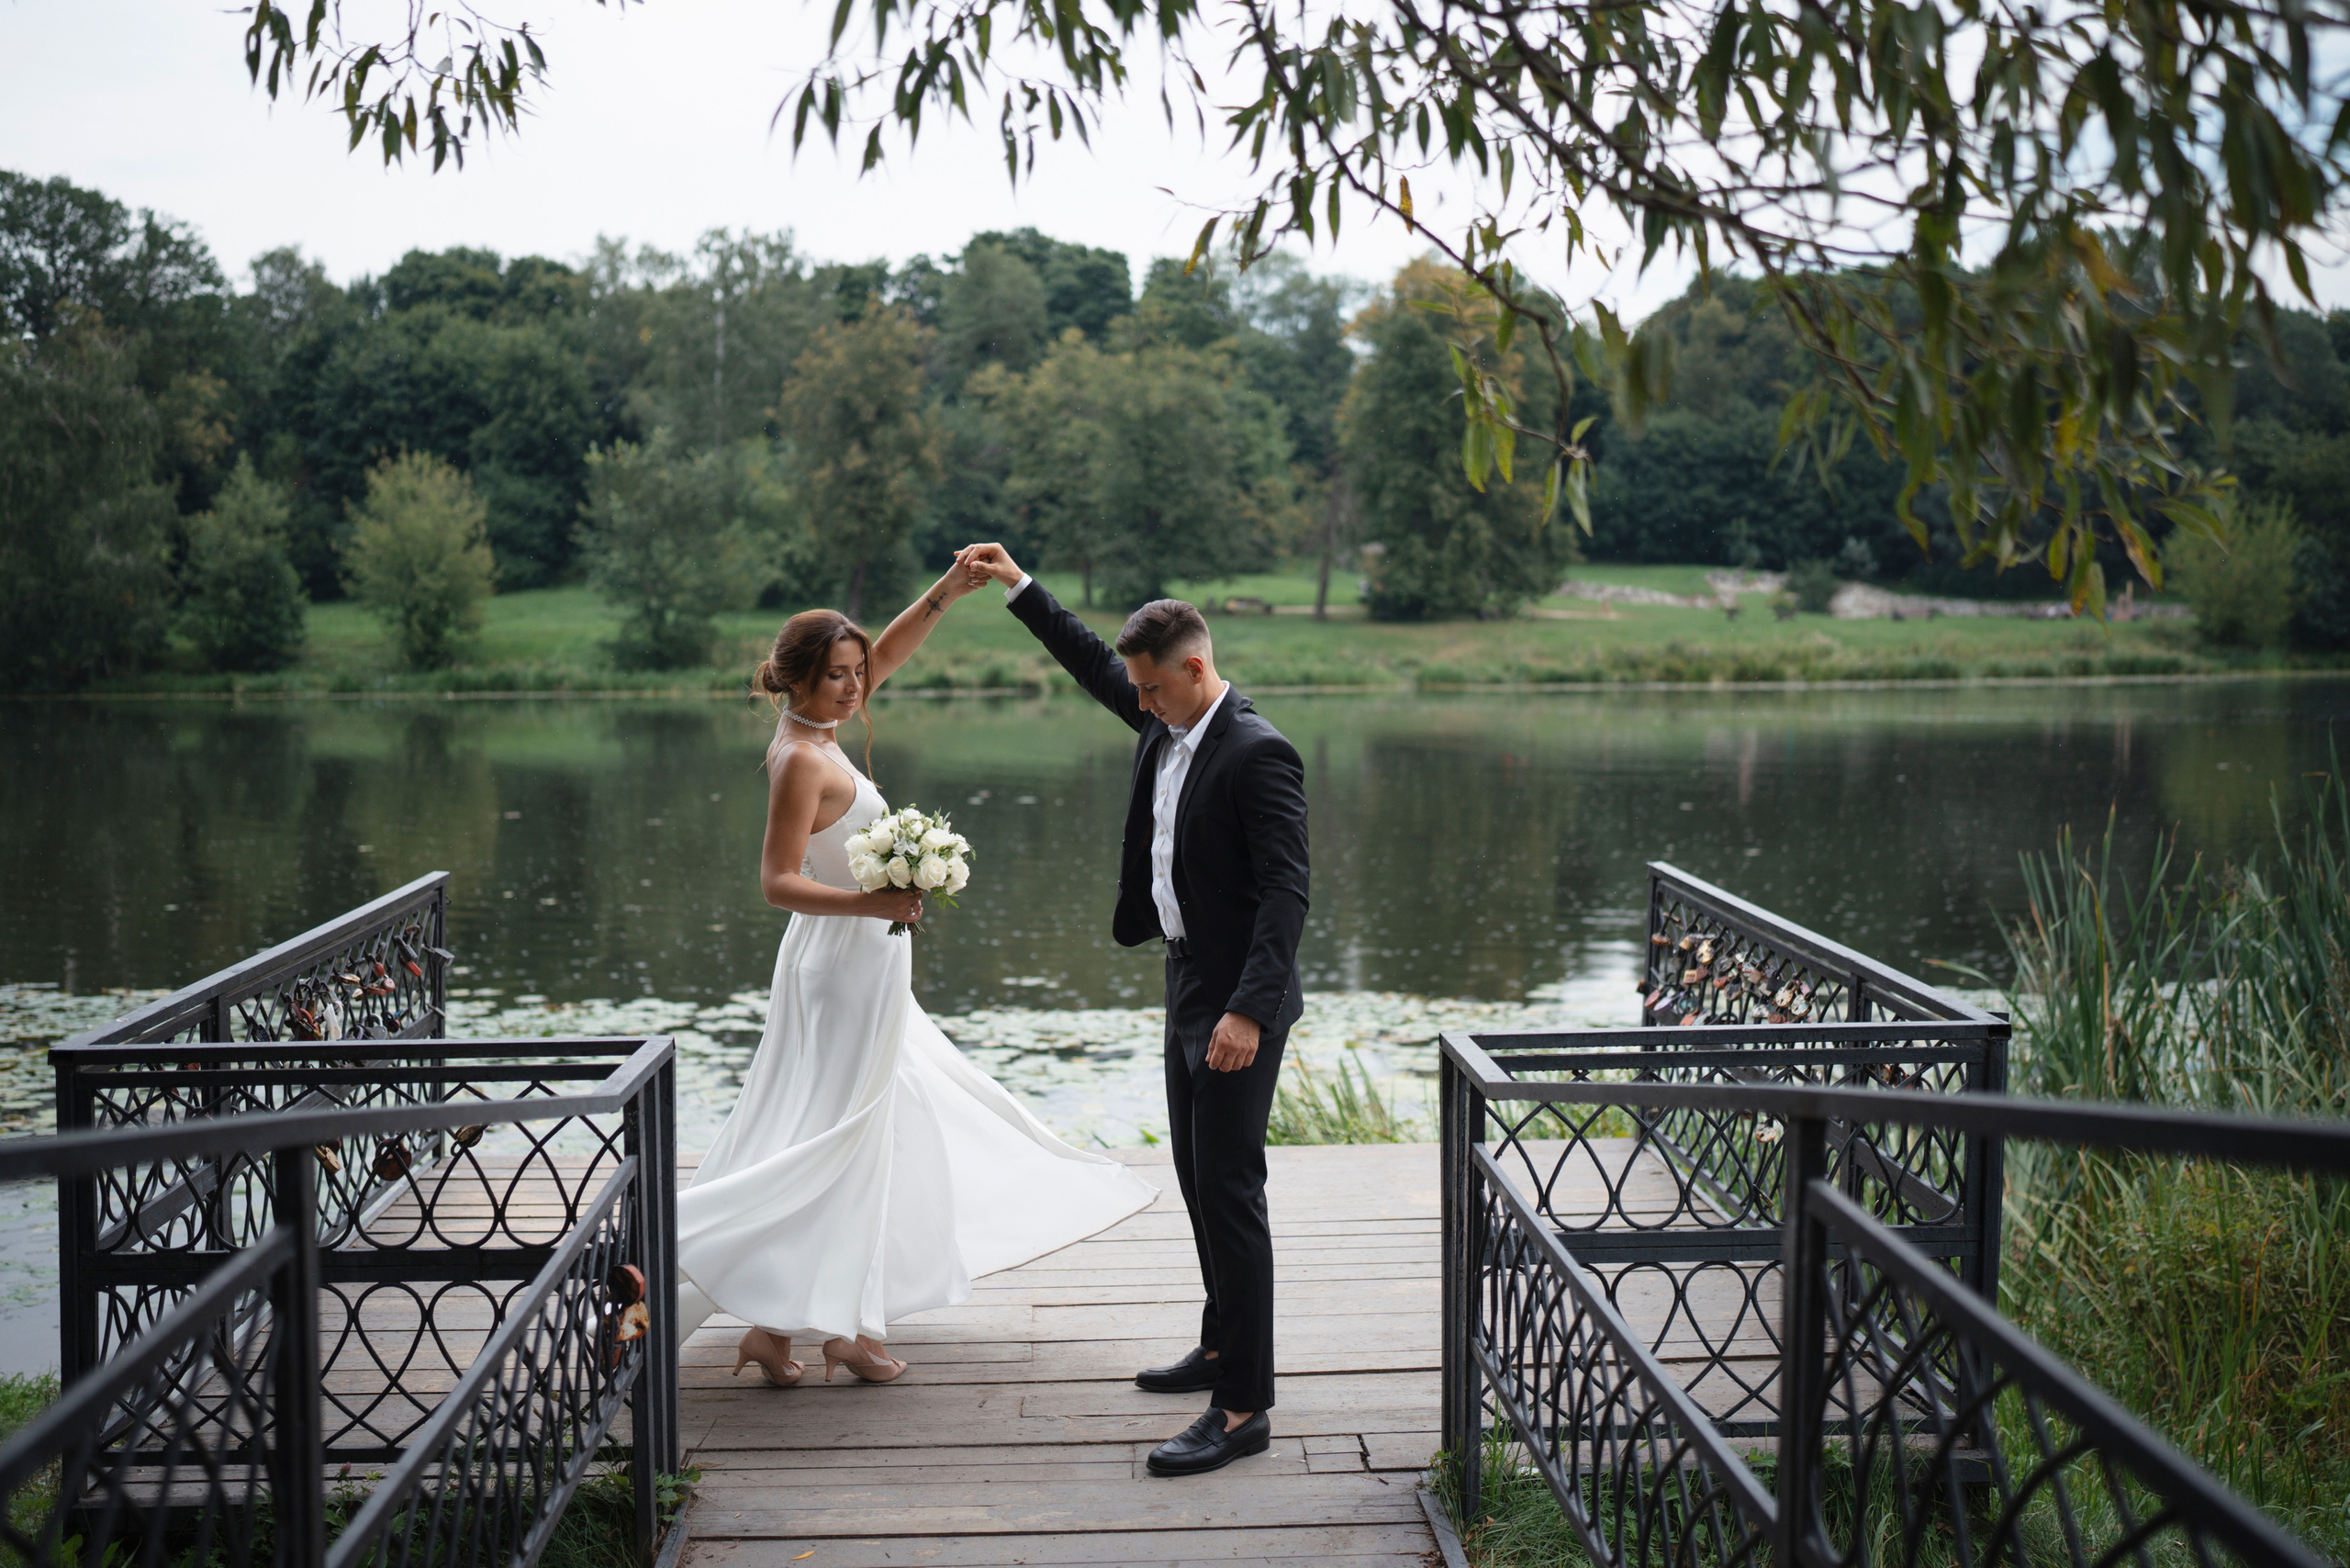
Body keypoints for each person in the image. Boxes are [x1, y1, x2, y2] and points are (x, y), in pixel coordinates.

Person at [673, 563, 1158, 1387]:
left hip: (865, 962)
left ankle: (781, 1328)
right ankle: (836, 1326)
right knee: (843, 1136)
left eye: (856, 673)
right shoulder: (799, 759)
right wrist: (876, 903)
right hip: (840, 966)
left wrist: (947, 592)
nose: (856, 686)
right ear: (798, 679)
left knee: (856, 1131)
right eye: (838, 675)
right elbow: (777, 883)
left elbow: (888, 653)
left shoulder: (821, 726)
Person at [956, 543, 1310, 1479]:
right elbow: (1091, 663)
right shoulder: (1166, 721)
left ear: (1194, 668)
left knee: (1230, 1190)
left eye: (1151, 688)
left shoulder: (1259, 752)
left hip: (1238, 1004)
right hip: (1185, 983)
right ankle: (1220, 1342)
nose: (1139, 702)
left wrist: (1247, 1013)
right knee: (1198, 1179)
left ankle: (1243, 1407)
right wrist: (1019, 586)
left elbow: (1287, 895)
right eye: (1138, 691)